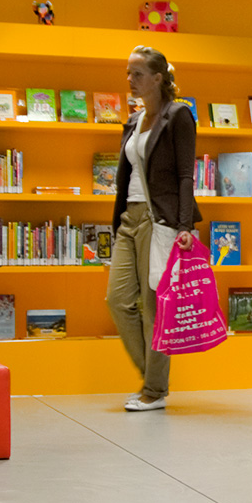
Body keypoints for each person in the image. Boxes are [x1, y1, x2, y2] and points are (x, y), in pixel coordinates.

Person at [106, 46, 201, 411]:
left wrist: (184, 225)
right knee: (117, 300)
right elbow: (127, 174)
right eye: (128, 73)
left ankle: (154, 391)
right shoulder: (133, 120)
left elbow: (185, 174)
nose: (130, 80)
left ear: (158, 78)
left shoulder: (178, 115)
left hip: (157, 218)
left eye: (137, 74)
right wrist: (118, 220)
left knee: (153, 307)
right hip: (128, 219)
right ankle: (154, 378)